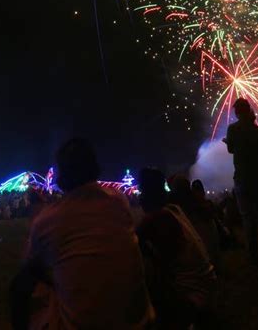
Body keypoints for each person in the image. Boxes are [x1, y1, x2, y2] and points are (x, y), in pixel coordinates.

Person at [10, 138, 153, 330]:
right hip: (140, 323)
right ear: (94, 167)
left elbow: (29, 263)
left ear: (62, 175)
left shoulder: (49, 218)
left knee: (21, 283)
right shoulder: (119, 202)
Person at [137, 168, 217, 329]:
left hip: (192, 297)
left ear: (148, 194)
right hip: (208, 287)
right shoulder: (175, 210)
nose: (140, 198)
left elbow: (135, 242)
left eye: (142, 191)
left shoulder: (158, 219)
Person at [224, 98, 258, 262]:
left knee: (248, 217)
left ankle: (253, 253)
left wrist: (231, 143)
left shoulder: (233, 129)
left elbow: (230, 149)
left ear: (237, 111)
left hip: (241, 178)